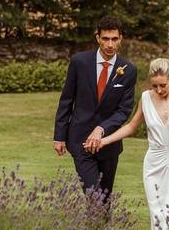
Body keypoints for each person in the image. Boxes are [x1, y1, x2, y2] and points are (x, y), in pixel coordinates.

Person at [93, 58, 169, 230]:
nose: (158, 90)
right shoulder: (146, 99)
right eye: (154, 85)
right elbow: (130, 127)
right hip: (154, 162)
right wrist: (104, 141)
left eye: (162, 85)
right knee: (158, 211)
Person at [53, 16, 137, 201]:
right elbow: (67, 100)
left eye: (114, 39)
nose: (110, 44)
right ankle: (95, 228)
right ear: (97, 37)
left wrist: (101, 129)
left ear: (121, 38)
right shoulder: (79, 62)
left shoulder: (128, 70)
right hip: (80, 141)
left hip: (109, 144)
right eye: (105, 38)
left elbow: (124, 110)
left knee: (105, 198)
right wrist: (59, 136)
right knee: (94, 196)